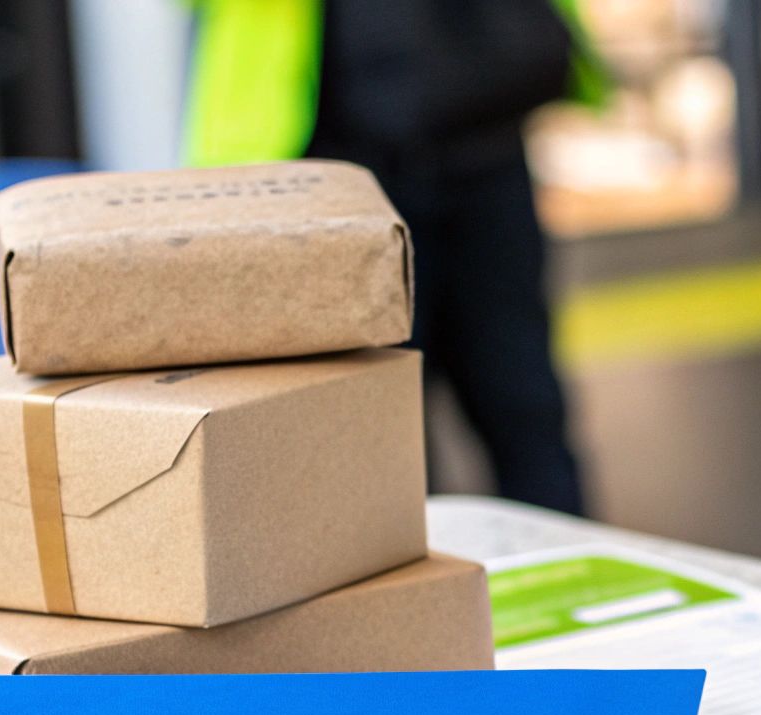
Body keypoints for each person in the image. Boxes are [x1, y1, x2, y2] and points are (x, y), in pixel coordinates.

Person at [183, 0, 607, 516]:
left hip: (487, 149)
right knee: (379, 421)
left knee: (523, 399)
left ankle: (571, 569)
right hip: (337, 170)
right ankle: (406, 584)